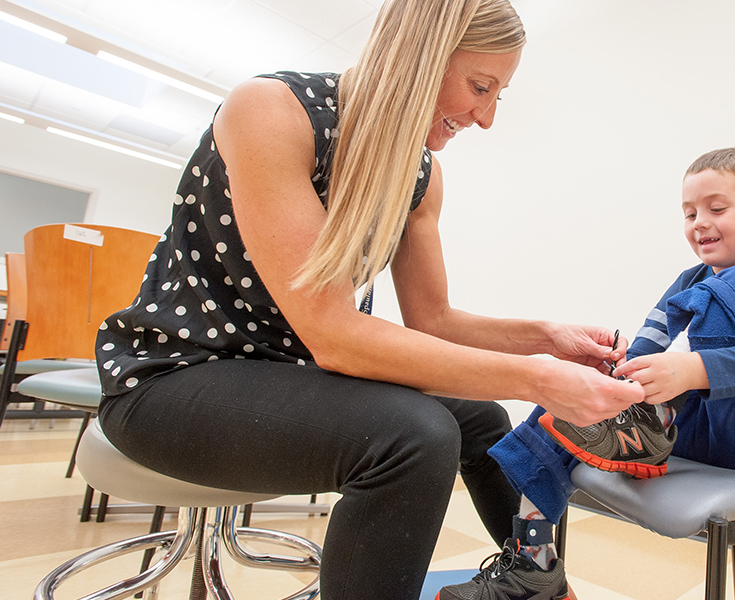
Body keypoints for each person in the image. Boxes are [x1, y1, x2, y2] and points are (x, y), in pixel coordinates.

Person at [93, 1, 644, 599]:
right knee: (416, 436)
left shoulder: (419, 174)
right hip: (174, 380)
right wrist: (537, 380)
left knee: (482, 419)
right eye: (479, 87)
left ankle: (541, 585)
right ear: (420, 56)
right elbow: (332, 335)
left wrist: (548, 340)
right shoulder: (272, 111)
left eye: (497, 97)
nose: (485, 118)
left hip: (288, 377)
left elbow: (433, 321)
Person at [437, 147, 735, 600]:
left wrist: (691, 369)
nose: (699, 222)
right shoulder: (690, 280)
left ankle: (653, 421)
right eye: (689, 213)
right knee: (569, 396)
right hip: (706, 430)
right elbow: (647, 348)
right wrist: (615, 378)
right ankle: (534, 566)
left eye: (716, 208)